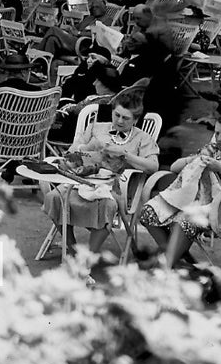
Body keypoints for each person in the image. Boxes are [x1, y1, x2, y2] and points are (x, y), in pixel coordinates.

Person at [138, 112, 221, 269]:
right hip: (194, 200)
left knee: (186, 219)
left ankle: (166, 265)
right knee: (148, 211)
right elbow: (174, 168)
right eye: (217, 133)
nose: (219, 139)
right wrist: (193, 159)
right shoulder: (211, 150)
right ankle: (176, 260)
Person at [43, 100, 159, 256]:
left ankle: (87, 259)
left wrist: (125, 155)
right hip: (83, 181)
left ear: (136, 120)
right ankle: (73, 249)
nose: (119, 121)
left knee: (107, 206)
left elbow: (153, 166)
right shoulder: (96, 128)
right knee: (54, 197)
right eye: (116, 115)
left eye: (126, 118)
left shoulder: (142, 138)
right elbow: (70, 154)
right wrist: (87, 148)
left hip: (117, 188)